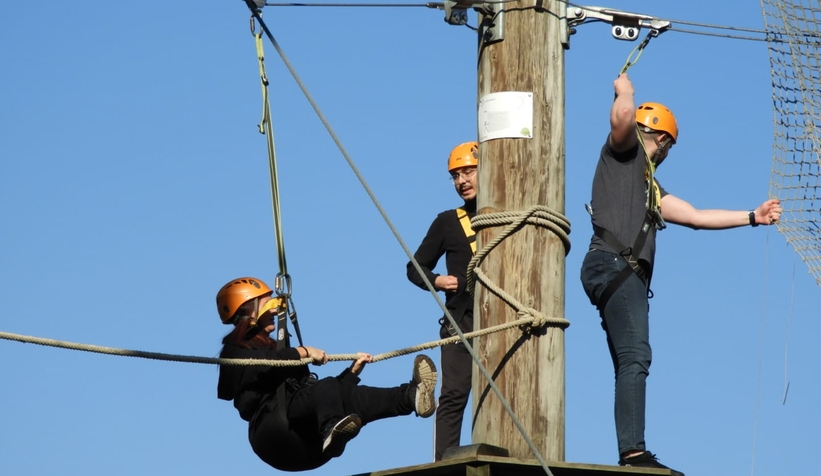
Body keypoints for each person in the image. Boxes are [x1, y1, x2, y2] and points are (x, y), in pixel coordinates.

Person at [580, 74, 782, 476]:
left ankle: (631, 448)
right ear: (657, 138)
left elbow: (695, 217)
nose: (663, 151)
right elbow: (621, 118)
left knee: (630, 360)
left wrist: (751, 218)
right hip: (616, 266)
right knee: (636, 356)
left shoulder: (648, 185)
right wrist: (626, 90)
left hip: (618, 271)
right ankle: (633, 452)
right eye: (663, 143)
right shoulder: (623, 153)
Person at [215, 277, 438, 472]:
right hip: (271, 430)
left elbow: (311, 393)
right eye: (267, 304)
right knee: (327, 387)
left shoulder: (277, 347)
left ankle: (410, 396)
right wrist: (302, 352)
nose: (274, 310)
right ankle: (333, 428)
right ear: (249, 310)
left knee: (347, 394)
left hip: (309, 442)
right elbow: (258, 366)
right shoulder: (234, 350)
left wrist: (350, 375)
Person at [407, 141, 478, 461]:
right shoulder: (449, 221)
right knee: (454, 393)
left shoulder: (510, 217)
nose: (461, 181)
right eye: (455, 176)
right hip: (461, 319)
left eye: (468, 172)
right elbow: (415, 267)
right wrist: (436, 280)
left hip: (503, 317)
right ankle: (444, 462)